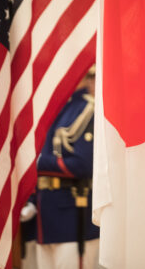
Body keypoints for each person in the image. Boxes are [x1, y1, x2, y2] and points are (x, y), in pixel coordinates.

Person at [35, 66, 99, 269]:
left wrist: (38, 163)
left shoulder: (87, 109)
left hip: (73, 216)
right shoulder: (54, 107)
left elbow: (83, 165)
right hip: (46, 215)